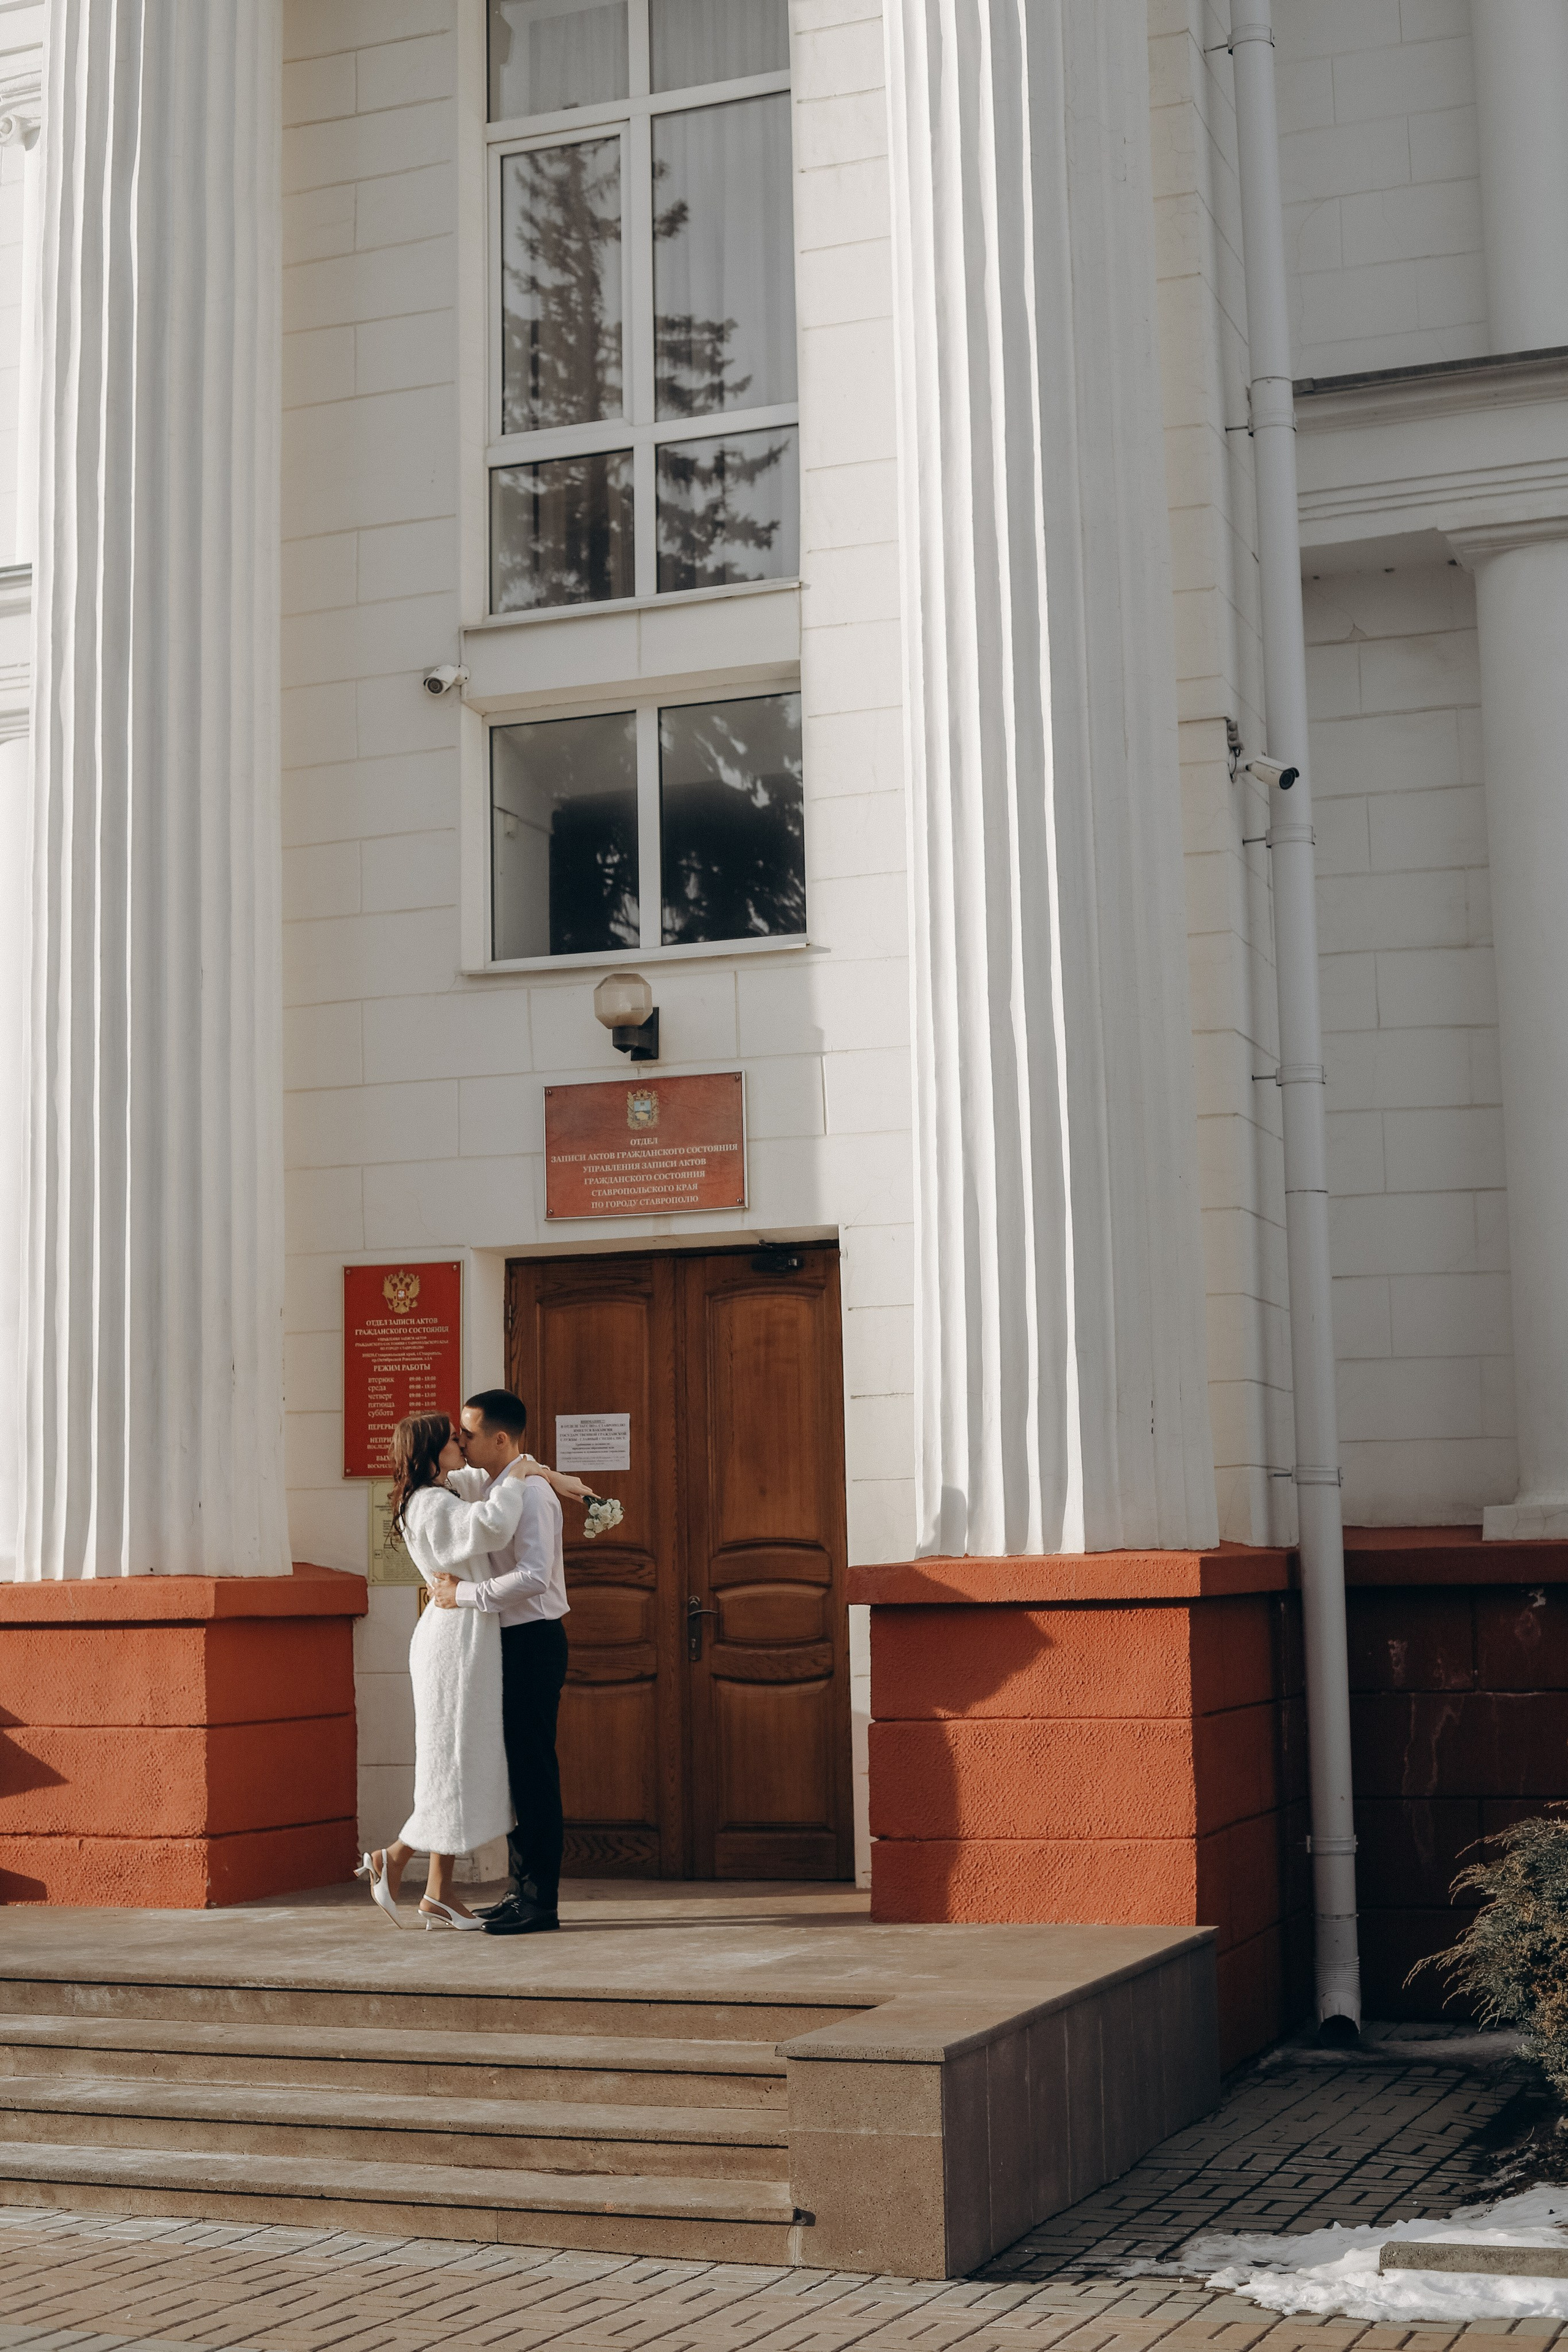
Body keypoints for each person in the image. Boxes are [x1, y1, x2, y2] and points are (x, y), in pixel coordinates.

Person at [358, 1411, 535, 1931]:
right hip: (453, 1643)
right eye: (454, 1442)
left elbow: (483, 1477)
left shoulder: (435, 1491)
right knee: (451, 1764)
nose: (463, 1448)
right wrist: (521, 1477)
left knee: (455, 1763)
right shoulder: (432, 1504)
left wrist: (537, 1471)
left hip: (463, 1637)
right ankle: (392, 1859)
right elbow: (493, 1525)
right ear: (434, 1454)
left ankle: (436, 1889)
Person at [431, 1387, 573, 1937]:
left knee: (535, 1774)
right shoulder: (495, 1482)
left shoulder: (531, 1495)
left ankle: (542, 1903)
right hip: (508, 1642)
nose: (460, 1441)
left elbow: (536, 1576)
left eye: (467, 1434)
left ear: (500, 1438)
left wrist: (463, 1595)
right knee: (517, 1772)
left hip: (534, 1641)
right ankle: (519, 1892)